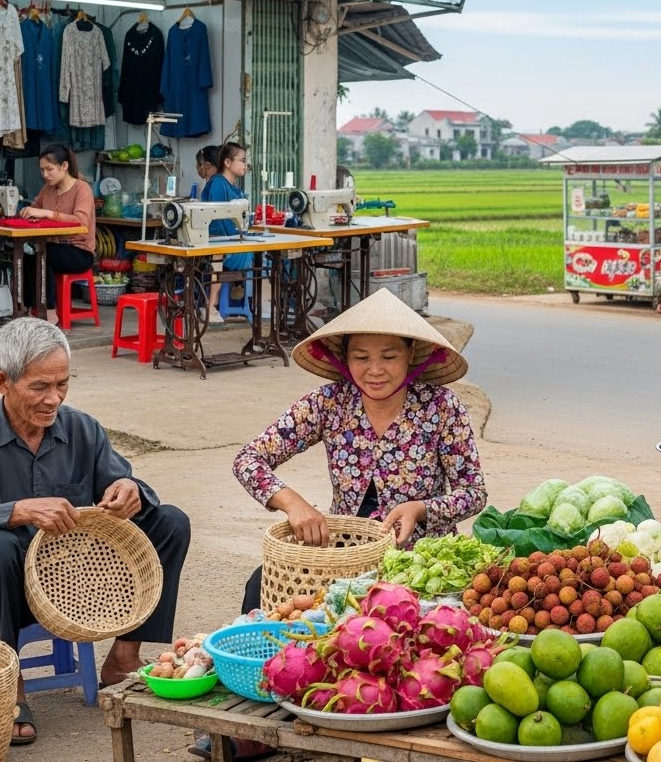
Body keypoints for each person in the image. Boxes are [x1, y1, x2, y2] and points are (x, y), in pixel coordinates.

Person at [201, 289, 485, 759]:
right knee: (263, 592)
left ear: (412, 355)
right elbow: (250, 459)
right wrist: (293, 504)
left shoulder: (442, 410)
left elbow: (474, 491)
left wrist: (421, 509)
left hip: (416, 568)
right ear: (344, 358)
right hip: (345, 559)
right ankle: (257, 723)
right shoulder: (330, 404)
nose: (375, 370)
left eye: (389, 356)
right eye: (361, 357)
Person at [0, 318, 191, 747]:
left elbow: (125, 487)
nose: (54, 399)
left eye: (63, 384)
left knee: (171, 520)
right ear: (2, 382)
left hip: (75, 584)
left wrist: (131, 490)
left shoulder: (82, 429)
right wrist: (16, 511)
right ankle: (9, 687)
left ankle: (123, 660)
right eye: (39, 387)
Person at [17, 144, 96, 322]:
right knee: (27, 257)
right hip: (54, 247)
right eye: (42, 170)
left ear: (65, 166)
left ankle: (50, 311)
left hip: (79, 251)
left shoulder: (82, 189)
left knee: (45, 255)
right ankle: (29, 309)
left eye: (49, 169)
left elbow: (81, 220)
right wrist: (27, 213)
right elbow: (34, 208)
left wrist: (47, 213)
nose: (45, 175)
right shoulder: (47, 189)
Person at [201, 142, 250, 320]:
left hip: (231, 238)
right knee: (219, 254)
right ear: (228, 162)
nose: (245, 165)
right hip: (217, 239)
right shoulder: (218, 184)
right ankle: (211, 305)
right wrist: (237, 237)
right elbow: (218, 218)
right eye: (242, 160)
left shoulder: (233, 187)